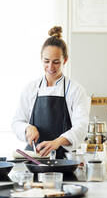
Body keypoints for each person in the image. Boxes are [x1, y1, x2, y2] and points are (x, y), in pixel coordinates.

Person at [12, 26, 89, 159]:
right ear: (41, 59)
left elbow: (81, 128)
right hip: (34, 159)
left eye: (56, 62)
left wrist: (57, 142)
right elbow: (17, 122)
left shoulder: (75, 90)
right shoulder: (31, 88)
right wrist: (27, 128)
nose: (50, 67)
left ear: (65, 60)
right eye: (46, 61)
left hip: (64, 160)